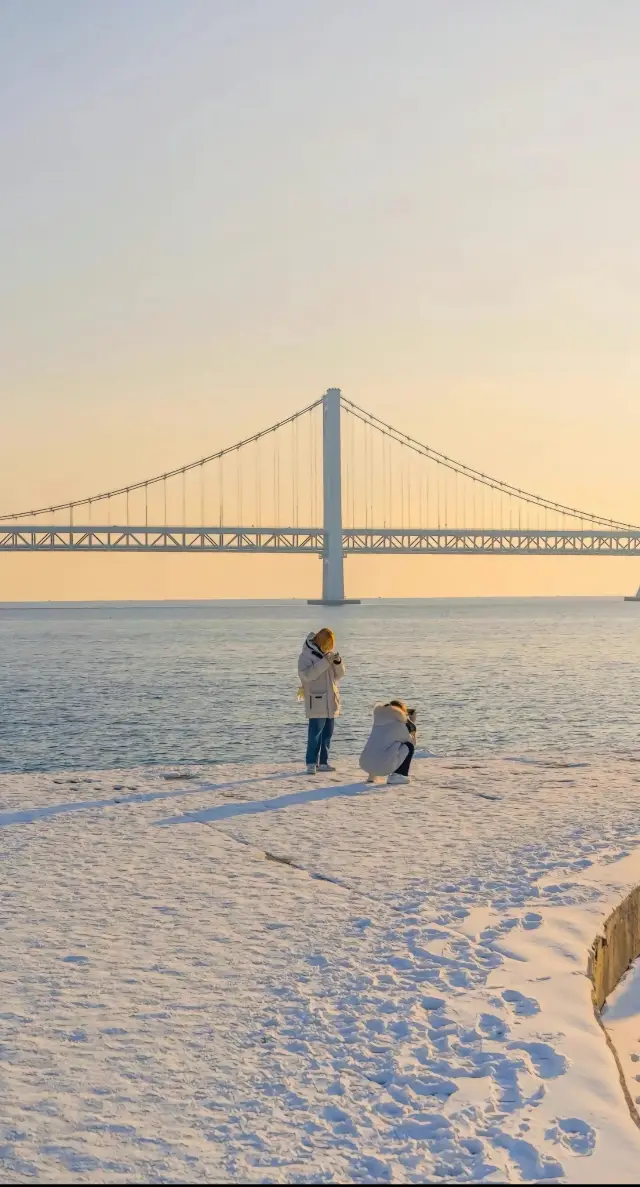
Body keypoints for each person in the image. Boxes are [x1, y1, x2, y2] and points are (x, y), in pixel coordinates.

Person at [298, 627, 345, 774]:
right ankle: (311, 763)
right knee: (315, 734)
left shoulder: (328, 654)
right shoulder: (305, 656)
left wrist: (337, 663)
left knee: (327, 735)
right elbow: (307, 675)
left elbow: (340, 676)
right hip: (317, 700)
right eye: (328, 644)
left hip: (331, 700)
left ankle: (324, 762)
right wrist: (325, 662)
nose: (330, 648)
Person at [359, 699, 417, 785]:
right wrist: (411, 723)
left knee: (380, 743)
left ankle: (372, 776)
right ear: (401, 712)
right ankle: (398, 776)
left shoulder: (377, 723)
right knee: (408, 746)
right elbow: (413, 742)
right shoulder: (399, 725)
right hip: (382, 767)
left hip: (365, 764)